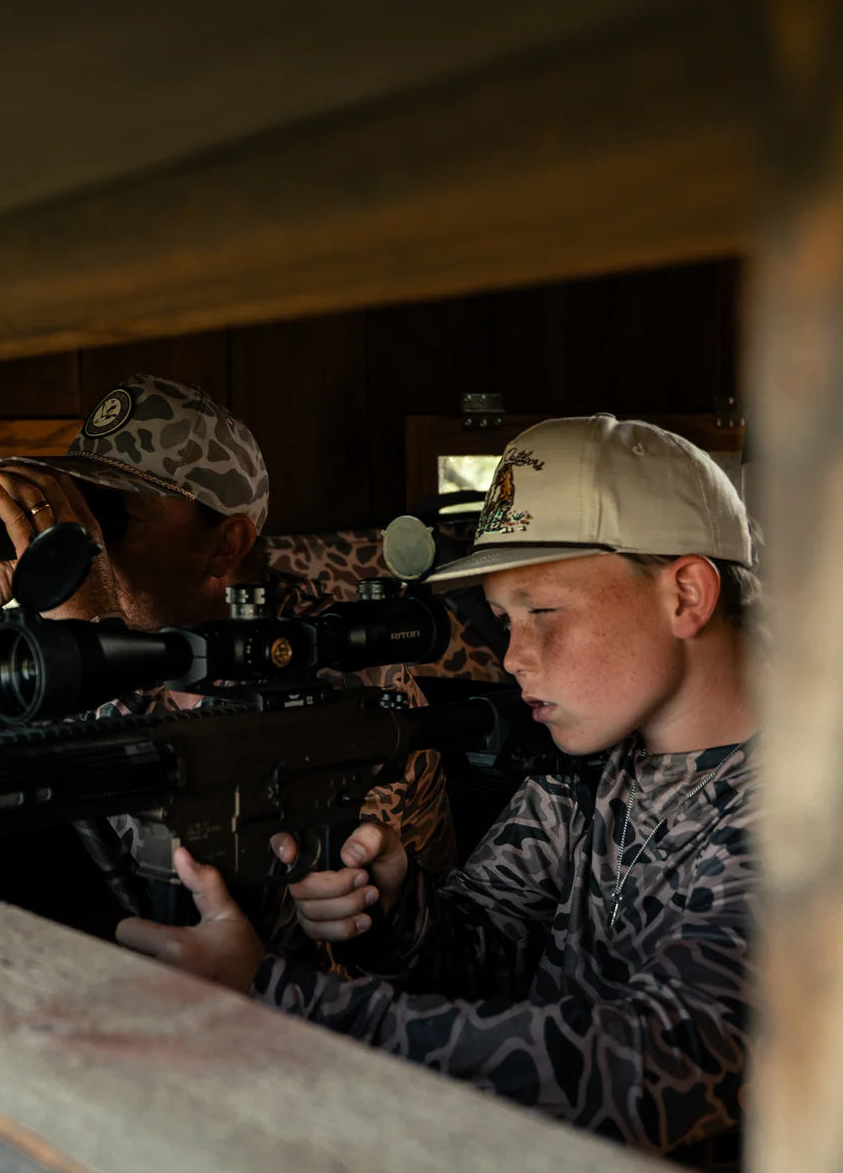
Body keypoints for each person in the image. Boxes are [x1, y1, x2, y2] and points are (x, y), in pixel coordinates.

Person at [116, 413, 760, 1167]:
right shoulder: (591, 760)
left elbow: (651, 1076)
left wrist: (269, 996)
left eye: (543, 611)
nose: (515, 657)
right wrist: (395, 909)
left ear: (686, 594)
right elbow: (486, 948)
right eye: (502, 619)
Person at [0, 374, 456, 903]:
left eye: (114, 515)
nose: (89, 536)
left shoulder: (339, 660)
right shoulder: (60, 644)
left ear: (226, 543)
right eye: (81, 507)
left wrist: (92, 633)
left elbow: (235, 891)